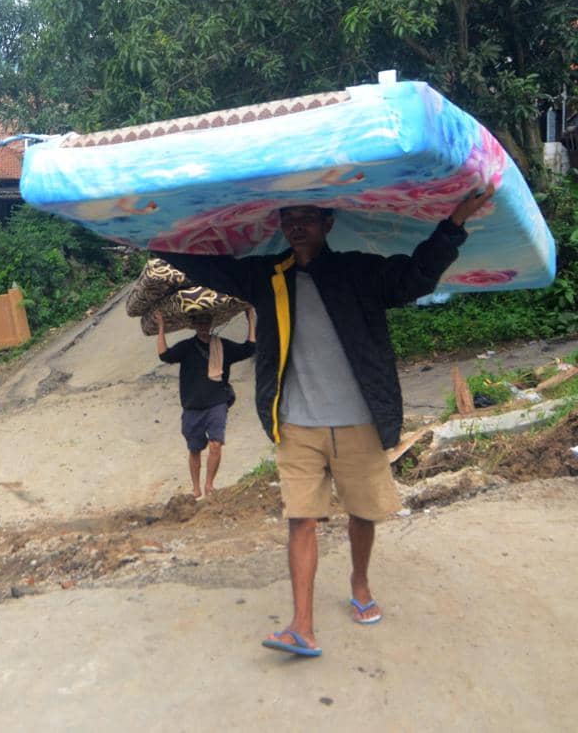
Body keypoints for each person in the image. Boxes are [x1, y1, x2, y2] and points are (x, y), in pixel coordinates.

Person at [154, 187, 494, 657]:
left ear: (328, 222)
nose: (296, 224)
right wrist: (145, 236)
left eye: (307, 216)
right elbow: (209, 268)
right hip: (296, 423)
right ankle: (301, 626)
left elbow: (416, 276)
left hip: (359, 420)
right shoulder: (266, 276)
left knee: (362, 512)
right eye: (288, 216)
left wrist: (455, 221)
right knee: (301, 520)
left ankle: (359, 581)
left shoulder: (359, 271)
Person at [156, 307, 256, 498]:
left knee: (216, 444)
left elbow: (248, 349)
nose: (203, 326)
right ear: (193, 325)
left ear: (211, 324)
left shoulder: (222, 346)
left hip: (217, 402)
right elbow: (164, 355)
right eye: (199, 322)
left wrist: (250, 319)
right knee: (194, 450)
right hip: (192, 406)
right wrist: (161, 327)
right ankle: (196, 488)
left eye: (206, 322)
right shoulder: (186, 347)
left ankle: (209, 485)